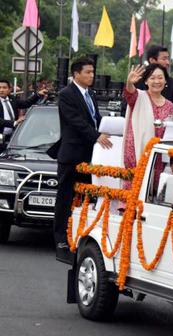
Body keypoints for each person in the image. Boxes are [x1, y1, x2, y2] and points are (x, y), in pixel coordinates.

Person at [50, 57, 112, 256]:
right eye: (87, 72)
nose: (91, 75)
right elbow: (76, 121)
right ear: (76, 74)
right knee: (65, 198)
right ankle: (60, 238)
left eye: (92, 72)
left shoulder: (90, 94)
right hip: (71, 154)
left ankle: (80, 235)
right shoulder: (66, 94)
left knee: (88, 197)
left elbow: (95, 119)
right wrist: (97, 136)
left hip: (89, 155)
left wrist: (109, 127)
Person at [122, 64, 173, 189]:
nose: (157, 81)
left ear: (165, 81)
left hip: (159, 153)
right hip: (138, 150)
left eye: (160, 78)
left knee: (154, 190)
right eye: (152, 78)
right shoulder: (139, 97)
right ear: (146, 81)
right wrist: (129, 83)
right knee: (135, 189)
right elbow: (129, 93)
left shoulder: (170, 106)